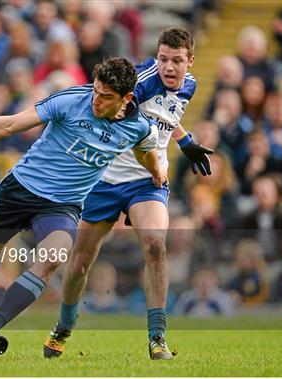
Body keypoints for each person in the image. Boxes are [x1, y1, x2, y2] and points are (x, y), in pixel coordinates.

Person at [0, 58, 166, 356]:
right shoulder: (70, 100)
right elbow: (9, 124)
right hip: (19, 190)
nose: (96, 100)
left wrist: (156, 172)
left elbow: (145, 151)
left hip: (62, 207)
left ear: (127, 98)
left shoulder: (138, 127)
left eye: (106, 96)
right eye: (96, 91)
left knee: (52, 257)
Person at [43, 28, 213, 361]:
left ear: (190, 61)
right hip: (106, 180)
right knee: (79, 263)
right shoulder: (141, 82)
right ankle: (64, 326)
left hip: (147, 183)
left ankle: (157, 338)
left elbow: (163, 115)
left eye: (177, 61)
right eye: (163, 58)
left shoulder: (190, 86)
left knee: (155, 244)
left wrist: (184, 140)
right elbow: (114, 115)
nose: (168, 67)